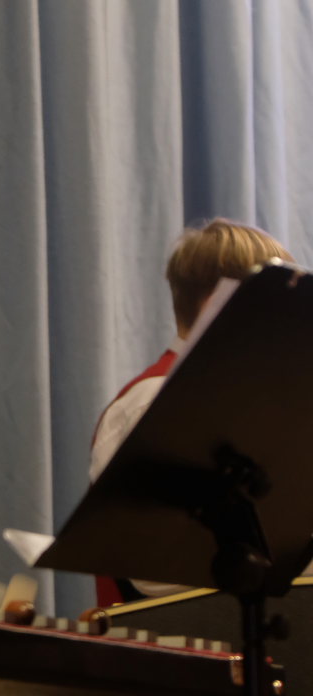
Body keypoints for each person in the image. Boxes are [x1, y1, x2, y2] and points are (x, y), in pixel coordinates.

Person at [89, 218, 293, 606]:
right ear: (218, 303)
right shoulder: (152, 403)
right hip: (179, 635)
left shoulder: (252, 401)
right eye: (272, 303)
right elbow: (155, 573)